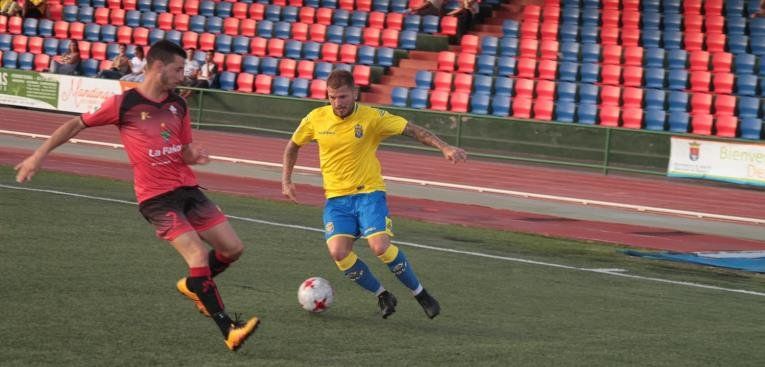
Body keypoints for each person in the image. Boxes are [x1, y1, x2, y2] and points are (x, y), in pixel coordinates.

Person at [14, 40, 259, 352]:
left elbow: (182, 149)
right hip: (156, 198)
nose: (183, 75)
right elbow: (76, 124)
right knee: (197, 255)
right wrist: (38, 155)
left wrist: (192, 154)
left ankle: (194, 285)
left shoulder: (178, 105)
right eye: (178, 69)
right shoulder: (124, 104)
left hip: (187, 189)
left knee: (233, 248)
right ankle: (229, 328)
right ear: (157, 67)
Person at [281, 70, 467, 319]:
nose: (337, 103)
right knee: (338, 252)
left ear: (355, 93)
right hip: (337, 199)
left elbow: (412, 130)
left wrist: (445, 147)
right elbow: (292, 146)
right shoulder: (316, 118)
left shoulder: (372, 117)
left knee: (379, 247)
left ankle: (420, 294)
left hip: (369, 193)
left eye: (343, 97)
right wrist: (287, 181)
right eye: (332, 97)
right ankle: (382, 295)